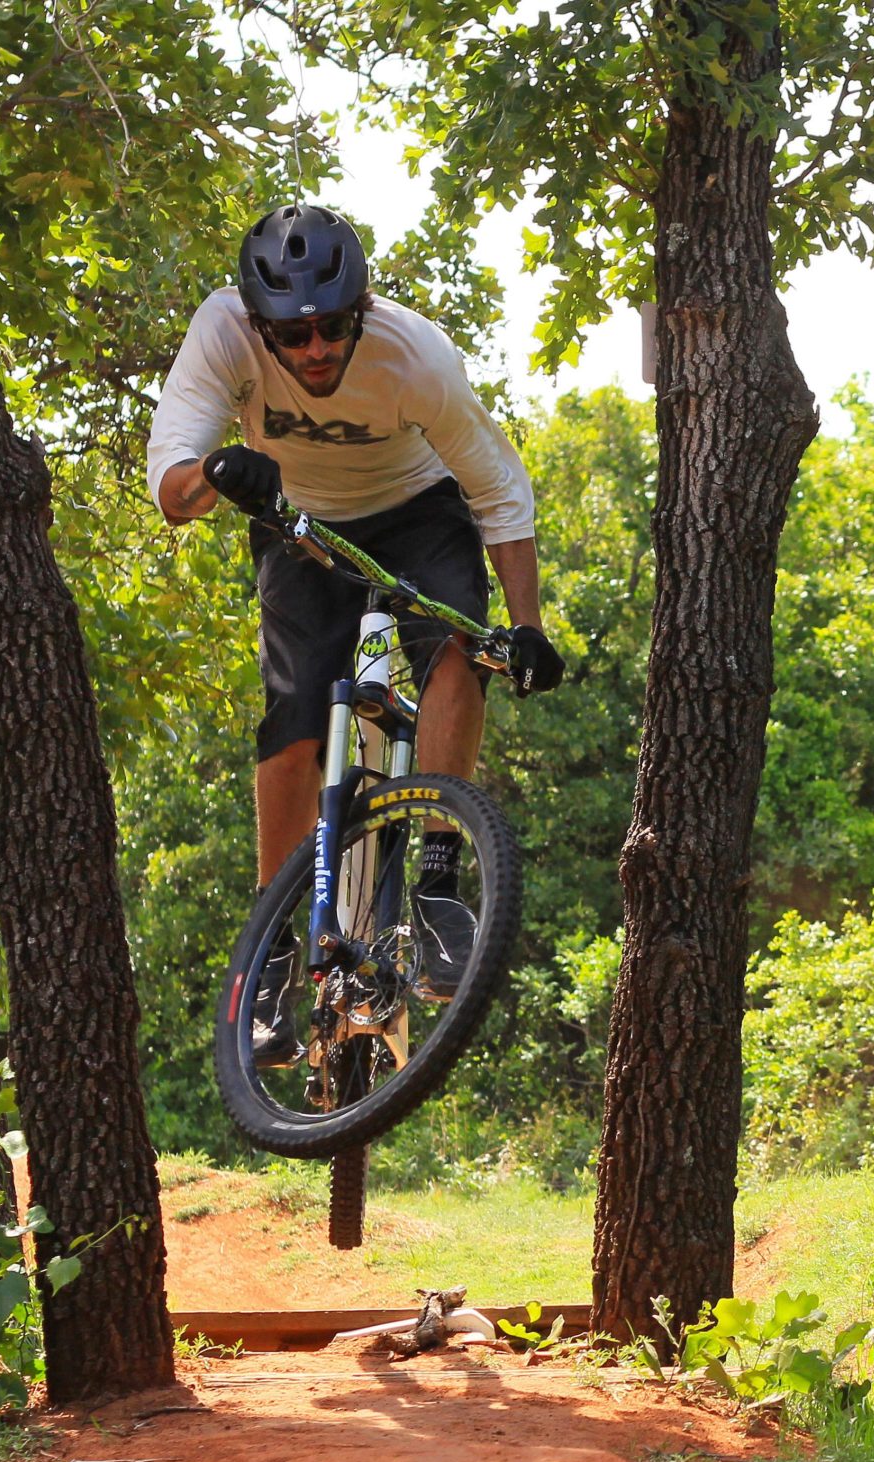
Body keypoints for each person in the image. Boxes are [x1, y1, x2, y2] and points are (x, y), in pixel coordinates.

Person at [147, 203, 563, 1064]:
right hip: (301, 522)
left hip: (420, 508)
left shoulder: (415, 356)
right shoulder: (223, 332)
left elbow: (499, 492)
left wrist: (524, 626)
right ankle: (272, 947)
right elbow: (171, 492)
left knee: (460, 649)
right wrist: (218, 473)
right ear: (258, 326)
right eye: (291, 337)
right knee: (296, 713)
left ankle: (440, 882)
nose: (314, 351)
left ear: (362, 309)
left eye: (333, 327)